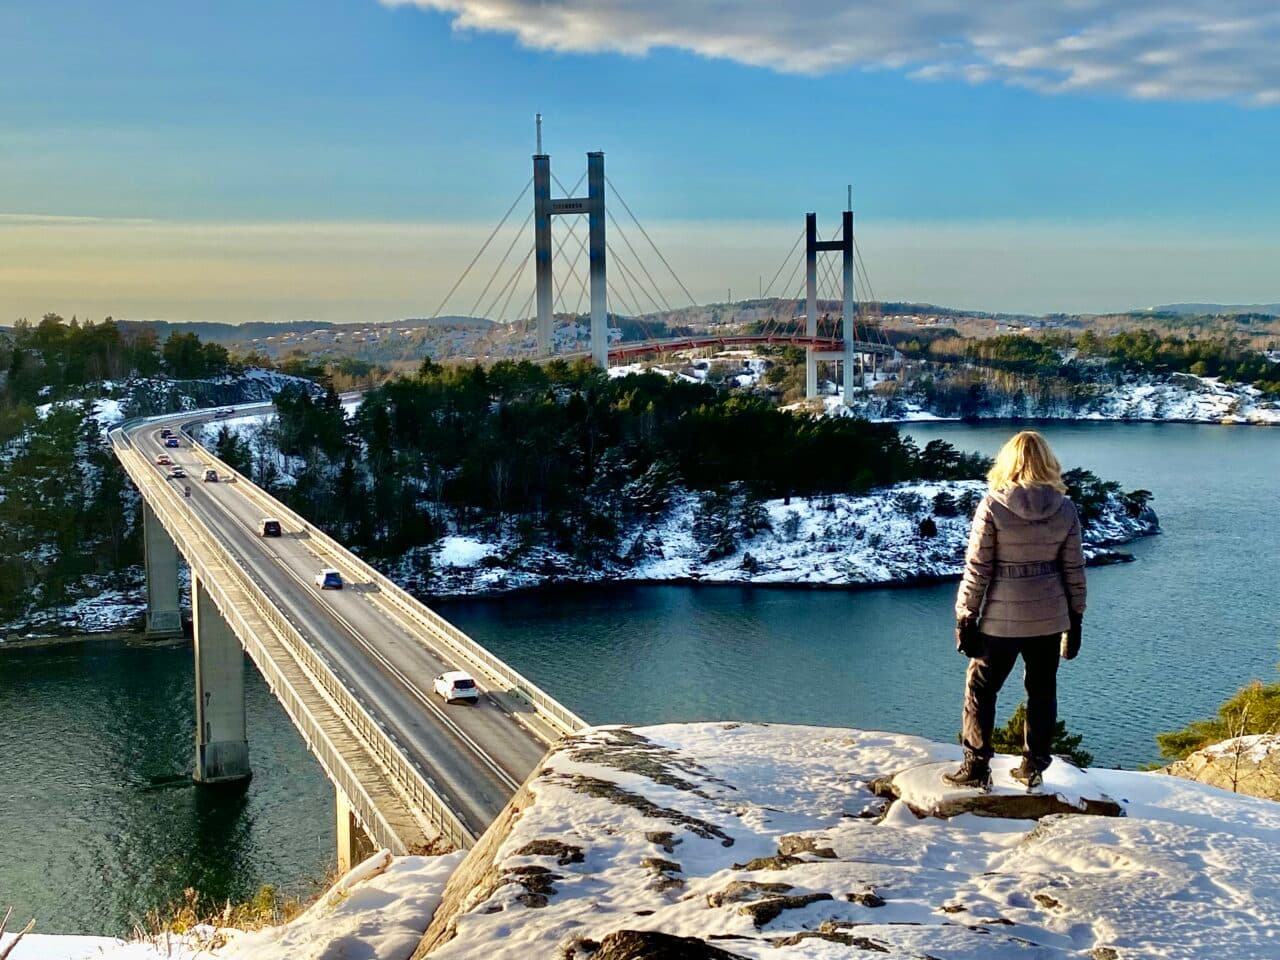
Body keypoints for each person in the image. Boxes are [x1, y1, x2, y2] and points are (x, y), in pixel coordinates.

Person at [945, 430, 1086, 789]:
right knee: (1041, 690)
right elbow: (1074, 569)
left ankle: (976, 766)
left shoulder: (993, 504)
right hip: (1050, 616)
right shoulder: (1065, 507)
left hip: (1000, 619)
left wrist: (965, 617)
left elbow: (978, 567)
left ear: (1007, 461)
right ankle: (1033, 766)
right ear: (1048, 462)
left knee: (980, 688)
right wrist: (1076, 619)